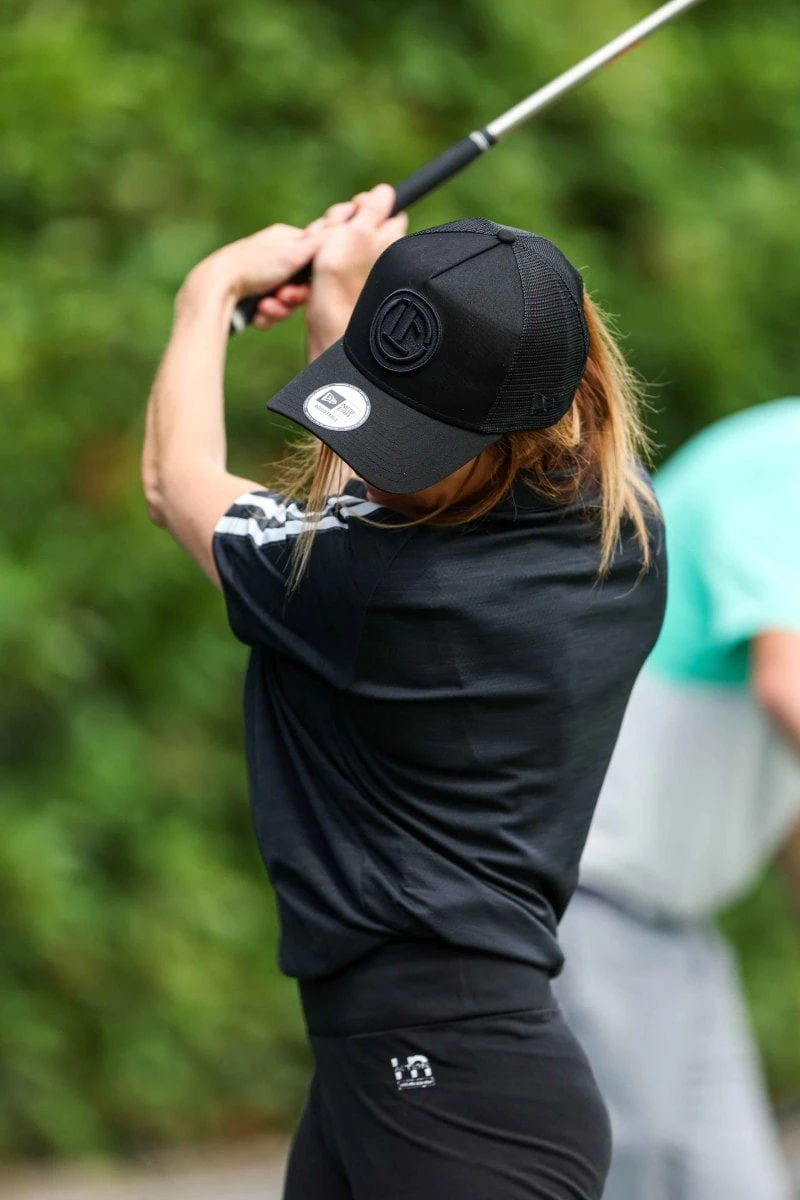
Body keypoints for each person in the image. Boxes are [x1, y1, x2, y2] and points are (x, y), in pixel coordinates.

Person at [141, 183, 666, 1200]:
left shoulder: (371, 591)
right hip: (423, 1078)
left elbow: (176, 479)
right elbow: (371, 507)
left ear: (499, 436)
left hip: (451, 1101)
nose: (377, 467)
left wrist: (208, 293)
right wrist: (348, 300)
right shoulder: (625, 534)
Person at [554, 399, 800, 1200]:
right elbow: (786, 690)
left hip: (682, 938)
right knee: (621, 1176)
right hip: (593, 909)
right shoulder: (781, 464)